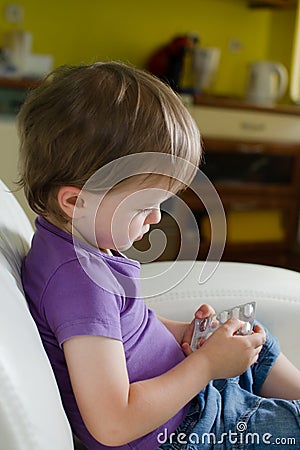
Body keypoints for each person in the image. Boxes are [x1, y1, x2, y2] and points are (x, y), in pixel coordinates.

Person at [19, 61, 300, 450]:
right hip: (187, 432)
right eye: (143, 207)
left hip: (189, 400)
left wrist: (185, 334)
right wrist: (205, 367)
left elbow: (130, 323)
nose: (155, 218)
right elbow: (113, 423)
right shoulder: (80, 285)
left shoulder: (79, 244)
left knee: (256, 339)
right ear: (75, 201)